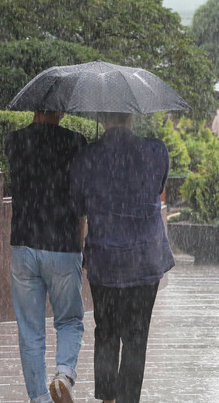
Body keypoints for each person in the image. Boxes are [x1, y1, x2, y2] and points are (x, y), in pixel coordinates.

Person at [70, 112, 175, 403]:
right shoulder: (156, 151)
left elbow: (78, 204)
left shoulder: (86, 157)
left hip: (105, 260)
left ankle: (107, 398)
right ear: (131, 115)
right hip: (145, 258)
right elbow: (158, 188)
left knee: (106, 331)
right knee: (136, 336)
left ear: (101, 118)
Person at [5, 110, 87, 403]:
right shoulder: (76, 142)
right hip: (63, 246)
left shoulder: (14, 141)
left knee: (30, 329)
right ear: (62, 110)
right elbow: (80, 198)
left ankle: (39, 398)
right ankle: (64, 374)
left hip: (24, 245)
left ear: (35, 107)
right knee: (69, 321)